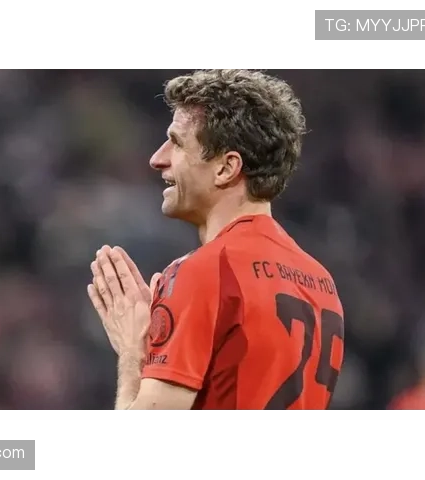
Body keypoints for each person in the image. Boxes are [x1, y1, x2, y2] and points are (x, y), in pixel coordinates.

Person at [87, 69, 345, 411]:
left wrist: (134, 353)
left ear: (226, 168)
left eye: (177, 143)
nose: (158, 158)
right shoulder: (321, 282)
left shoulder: (206, 272)